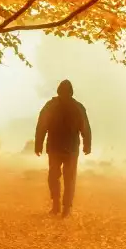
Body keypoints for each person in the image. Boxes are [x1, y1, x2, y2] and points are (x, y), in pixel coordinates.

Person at [34, 79, 92, 216]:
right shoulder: (77, 107)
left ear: (58, 91)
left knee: (54, 176)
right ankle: (65, 207)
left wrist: (39, 144)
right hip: (70, 148)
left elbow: (41, 126)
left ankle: (57, 205)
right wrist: (87, 144)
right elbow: (85, 127)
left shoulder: (51, 106)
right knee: (69, 177)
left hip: (55, 147)